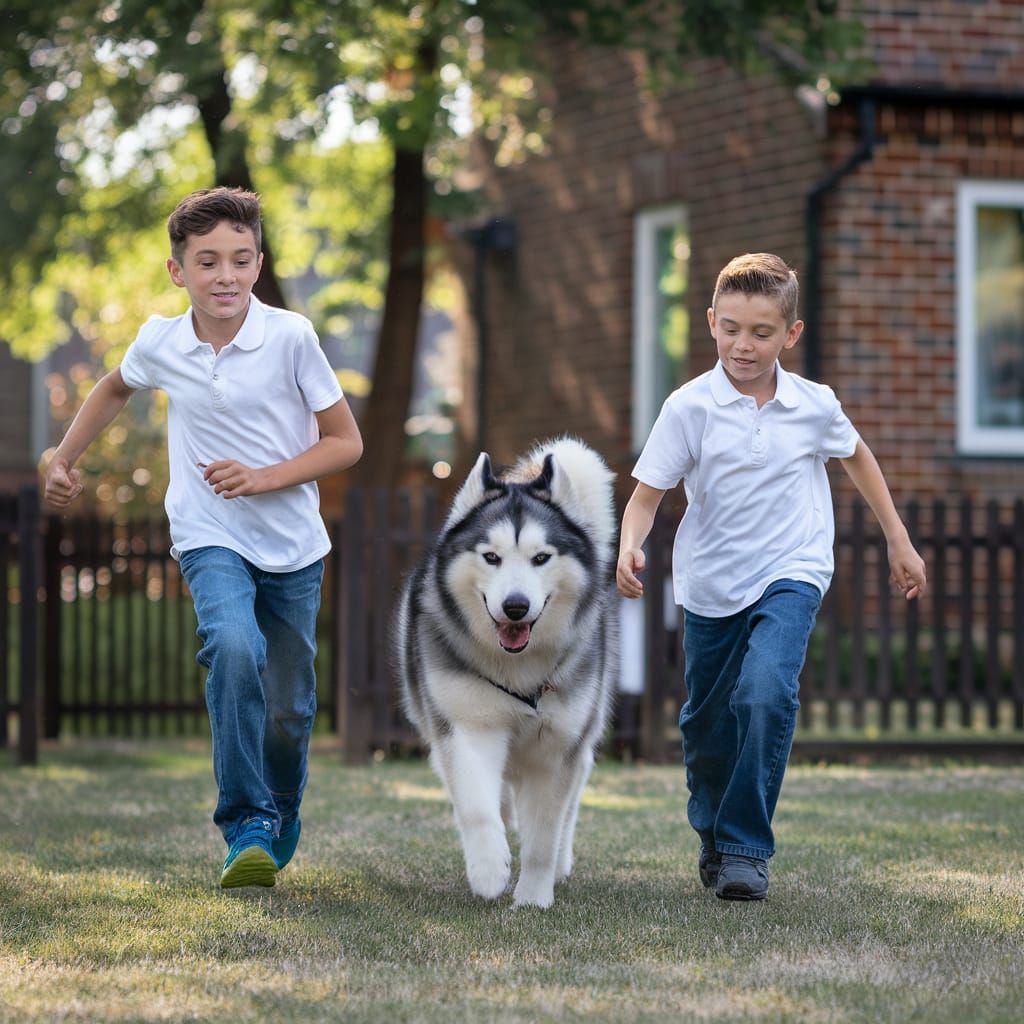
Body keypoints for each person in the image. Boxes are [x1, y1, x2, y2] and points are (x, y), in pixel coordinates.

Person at [44, 187, 363, 889]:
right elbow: (111, 389)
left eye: (240, 261)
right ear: (177, 270)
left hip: (292, 547)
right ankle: (246, 821)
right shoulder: (162, 340)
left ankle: (281, 807)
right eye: (208, 261)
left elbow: (346, 443)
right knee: (233, 645)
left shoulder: (289, 336)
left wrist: (265, 476)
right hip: (208, 532)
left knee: (290, 705)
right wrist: (62, 458)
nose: (226, 276)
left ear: (259, 263)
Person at [617, 252, 925, 901]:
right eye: (731, 328)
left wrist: (898, 539)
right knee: (706, 728)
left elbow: (858, 459)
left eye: (760, 332)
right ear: (710, 323)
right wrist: (629, 547)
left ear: (790, 333)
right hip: (708, 584)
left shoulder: (814, 405)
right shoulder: (689, 406)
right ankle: (715, 835)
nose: (743, 344)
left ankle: (746, 848)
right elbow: (647, 495)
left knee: (765, 694)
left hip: (793, 568)